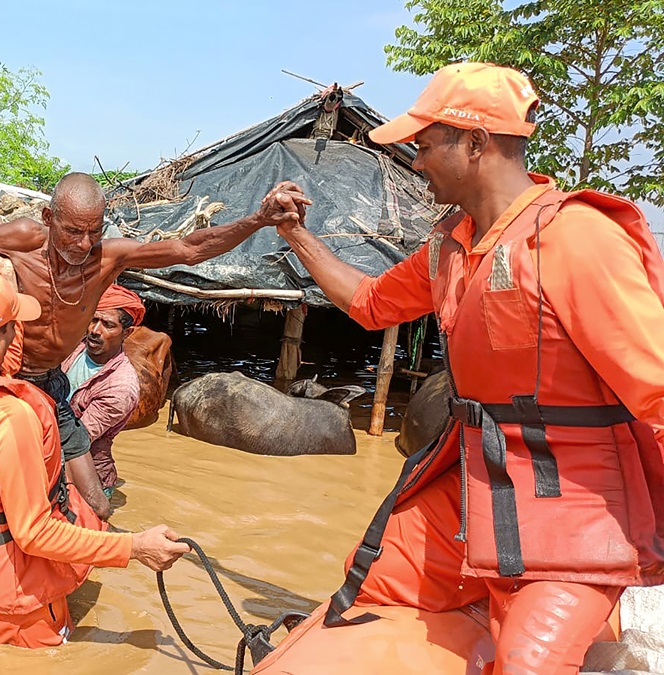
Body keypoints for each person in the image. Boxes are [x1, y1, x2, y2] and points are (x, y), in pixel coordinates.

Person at [253, 62, 664, 675]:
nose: (415, 162)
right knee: (371, 574)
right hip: (481, 484)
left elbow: (657, 390)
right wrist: (297, 236)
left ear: (475, 143)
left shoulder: (576, 238)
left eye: (423, 145)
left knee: (527, 662)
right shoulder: (452, 246)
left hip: (576, 507)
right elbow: (368, 304)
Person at [0, 173, 310, 518]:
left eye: (93, 232)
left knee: (98, 504)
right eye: (73, 231)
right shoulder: (22, 238)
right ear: (48, 219)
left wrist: (258, 219)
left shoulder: (108, 257)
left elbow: (191, 249)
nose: (83, 243)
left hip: (50, 384)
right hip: (1, 380)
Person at [0, 268, 190, 649]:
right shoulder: (9, 415)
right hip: (11, 600)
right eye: (13, 327)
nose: (19, 334)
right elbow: (35, 532)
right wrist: (135, 548)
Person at [62, 284, 145, 497]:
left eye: (108, 325)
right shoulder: (73, 348)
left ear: (128, 332)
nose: (95, 331)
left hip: (88, 479)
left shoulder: (121, 387)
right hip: (55, 458)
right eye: (93, 320)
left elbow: (78, 439)